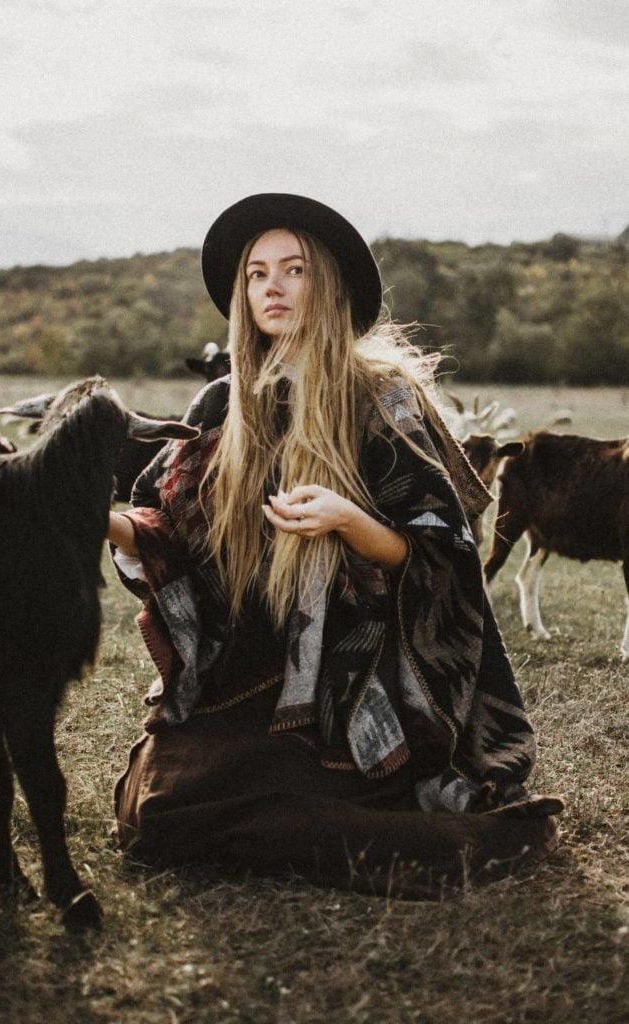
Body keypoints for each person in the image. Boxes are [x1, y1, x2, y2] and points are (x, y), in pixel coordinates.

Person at [107, 193, 562, 899]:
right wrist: (102, 521)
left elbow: (443, 555)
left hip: (355, 678)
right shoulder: (221, 404)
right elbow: (174, 535)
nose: (274, 287)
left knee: (200, 813)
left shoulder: (380, 395)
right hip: (248, 670)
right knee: (155, 813)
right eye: (257, 274)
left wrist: (349, 520)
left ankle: (467, 842)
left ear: (327, 284)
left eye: (294, 269)